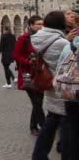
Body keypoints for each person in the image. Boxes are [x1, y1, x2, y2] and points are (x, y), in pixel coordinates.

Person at [31, 11, 72, 159]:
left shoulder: (38, 38)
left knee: (50, 125)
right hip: (63, 91)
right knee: (68, 131)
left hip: (49, 88)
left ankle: (38, 155)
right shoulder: (62, 42)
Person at [14, 15, 45, 136]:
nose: (41, 27)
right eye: (38, 24)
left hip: (39, 73)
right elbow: (16, 55)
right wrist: (28, 62)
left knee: (38, 101)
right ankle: (44, 125)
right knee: (36, 101)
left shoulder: (42, 38)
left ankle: (33, 126)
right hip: (27, 73)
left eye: (42, 24)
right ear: (31, 25)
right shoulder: (24, 38)